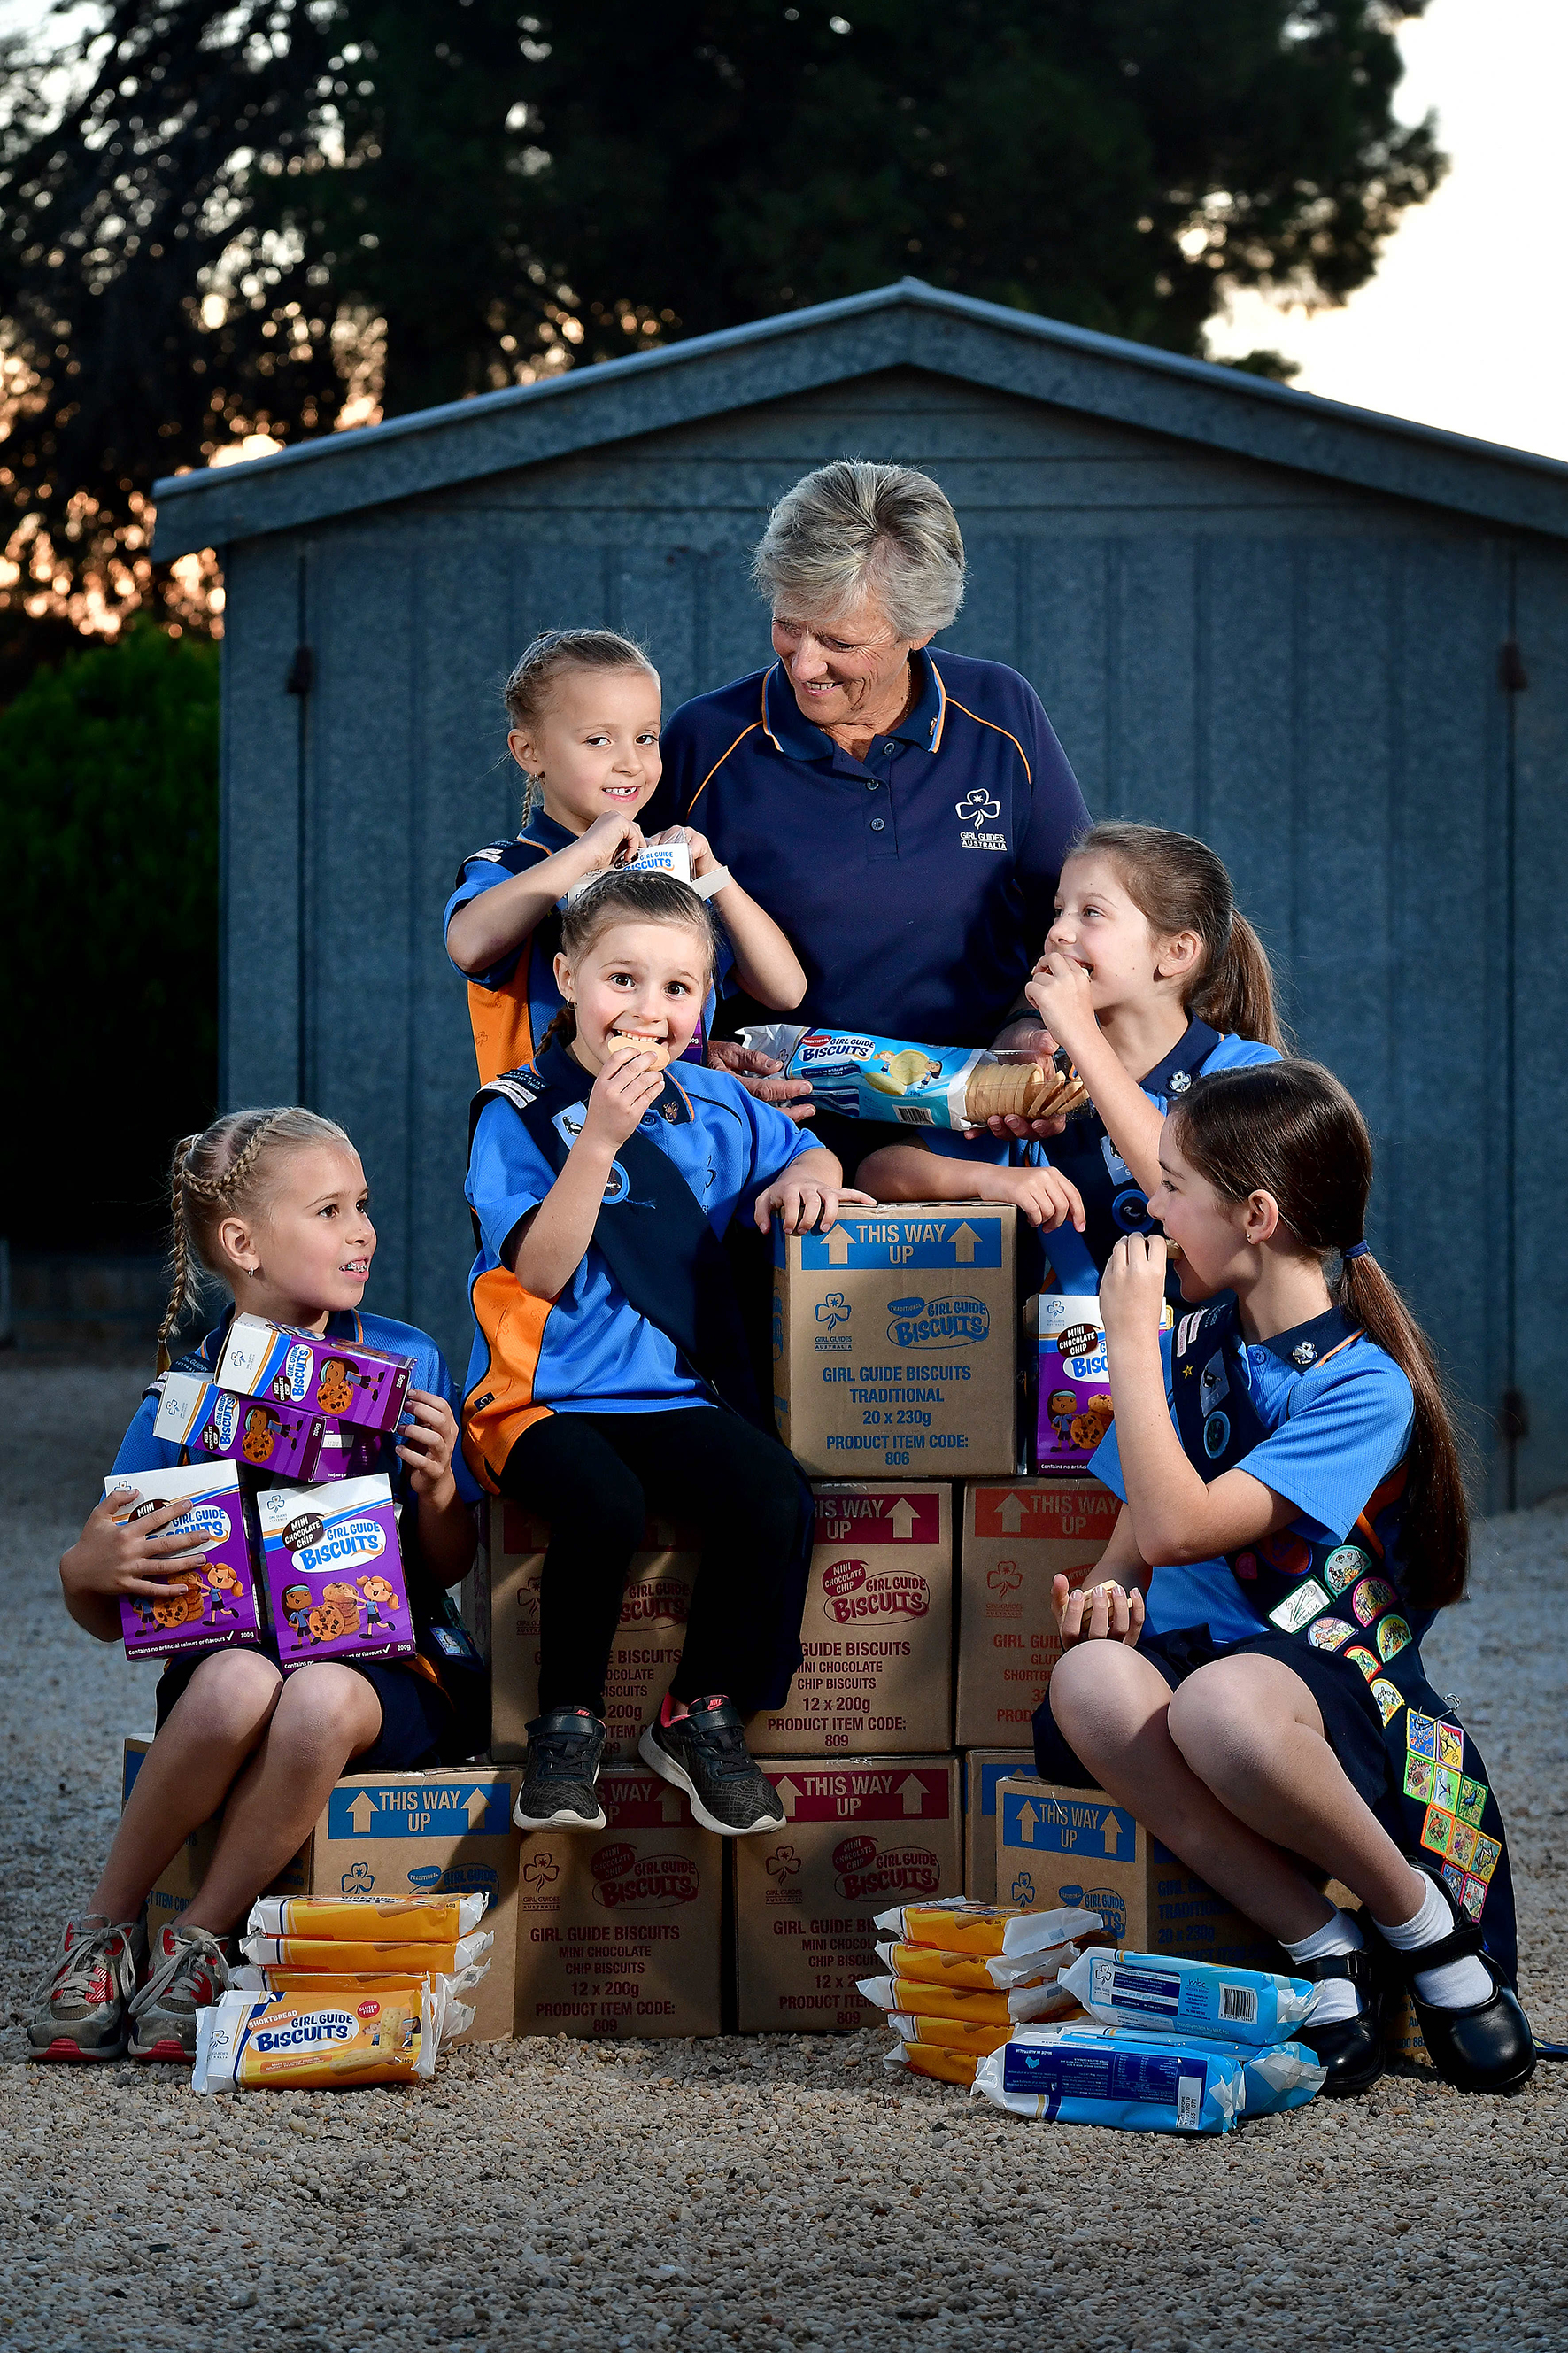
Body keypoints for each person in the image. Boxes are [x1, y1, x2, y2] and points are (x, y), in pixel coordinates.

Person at [1033, 1061, 1533, 2098]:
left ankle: (1422, 1927)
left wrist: (1126, 1336)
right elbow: (1142, 1531)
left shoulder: (1361, 1382)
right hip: (1200, 1655)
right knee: (1085, 1680)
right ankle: (1320, 1943)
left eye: (1172, 1186)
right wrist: (1102, 1596)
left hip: (1321, 1677)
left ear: (1255, 1213)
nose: (1150, 1207)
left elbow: (1184, 1526)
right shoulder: (1194, 1345)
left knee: (1223, 1708)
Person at [28, 1109, 483, 2065]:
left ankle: (199, 1936)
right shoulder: (183, 1396)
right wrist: (83, 1571)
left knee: (312, 1695)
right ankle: (103, 1930)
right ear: (242, 1243)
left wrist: (441, 1489)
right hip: (225, 1676)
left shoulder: (405, 1362)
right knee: (241, 1679)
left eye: (362, 1205)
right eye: (329, 1209)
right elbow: (110, 1604)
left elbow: (445, 1568)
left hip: (378, 1673)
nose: (361, 1229)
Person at [461, 867, 864, 1839]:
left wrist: (809, 1177)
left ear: (707, 1003)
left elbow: (809, 1150)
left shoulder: (718, 1105)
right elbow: (545, 1273)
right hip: (542, 1396)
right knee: (605, 1503)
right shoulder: (515, 1107)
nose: (648, 1007)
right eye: (622, 979)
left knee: (771, 1493)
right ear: (565, 978)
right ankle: (568, 1726)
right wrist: (598, 1139)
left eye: (678, 988)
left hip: (674, 1394)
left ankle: (699, 1712)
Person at [645, 460, 1093, 1173]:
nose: (803, 664)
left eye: (840, 643)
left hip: (964, 1143)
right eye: (789, 625)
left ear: (921, 629)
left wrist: (1028, 1027)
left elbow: (1074, 920)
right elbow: (640, 950)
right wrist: (699, 1059)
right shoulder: (706, 739)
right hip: (764, 1147)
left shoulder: (1001, 715)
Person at [860, 823, 1284, 1284]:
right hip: (1059, 1353)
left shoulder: (1248, 1075)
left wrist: (1080, 1033)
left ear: (1177, 951)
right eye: (1058, 910)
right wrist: (991, 1182)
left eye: (1091, 913)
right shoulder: (1040, 1078)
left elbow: (1196, 1207)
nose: (1058, 932)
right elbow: (877, 1173)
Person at [445, 628, 806, 1087]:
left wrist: (714, 875)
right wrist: (584, 853)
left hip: (675, 1132)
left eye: (646, 737)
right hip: (552, 1138)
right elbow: (468, 945)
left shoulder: (668, 868)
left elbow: (786, 990)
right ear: (528, 751)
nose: (630, 763)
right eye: (599, 740)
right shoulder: (512, 868)